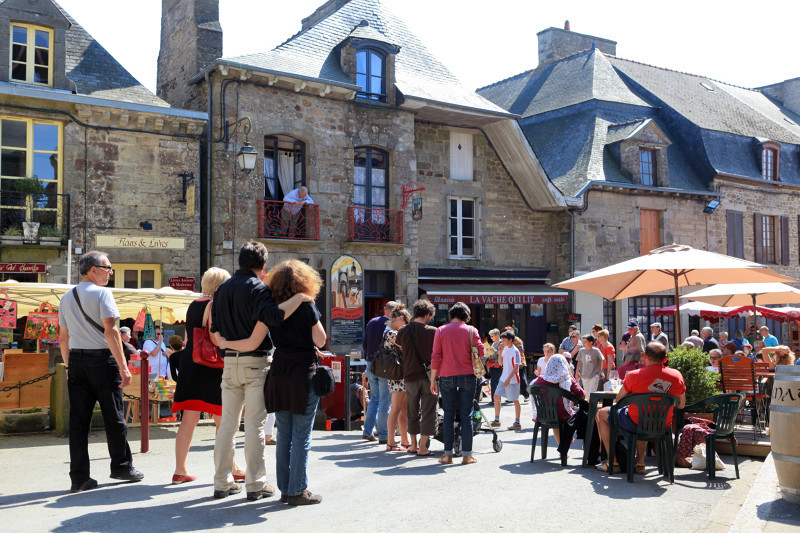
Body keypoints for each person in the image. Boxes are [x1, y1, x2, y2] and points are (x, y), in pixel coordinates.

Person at [220, 259, 326, 505]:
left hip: (279, 372)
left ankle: (286, 489)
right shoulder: (306, 306)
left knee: (284, 433)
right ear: (305, 282)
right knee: (302, 436)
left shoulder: (273, 308)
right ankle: (298, 489)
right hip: (302, 373)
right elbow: (320, 340)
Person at [57, 251, 143, 492]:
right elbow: (111, 332)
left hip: (76, 360)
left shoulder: (66, 297)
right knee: (114, 416)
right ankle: (121, 467)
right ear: (92, 270)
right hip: (101, 361)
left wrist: (67, 365)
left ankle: (79, 477)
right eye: (107, 267)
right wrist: (124, 367)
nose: (111, 272)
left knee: (78, 422)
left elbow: (63, 338)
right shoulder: (103, 293)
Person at [170, 267, 248, 485]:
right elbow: (215, 338)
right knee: (224, 422)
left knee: (188, 421)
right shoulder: (215, 305)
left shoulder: (193, 304)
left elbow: (189, 336)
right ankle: (229, 468)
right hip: (211, 367)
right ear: (220, 286)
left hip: (191, 365)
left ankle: (179, 470)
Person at [594, 342, 686, 474]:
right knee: (645, 416)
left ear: (645, 356)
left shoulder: (633, 375)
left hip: (635, 422)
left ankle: (612, 461)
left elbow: (619, 400)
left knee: (601, 413)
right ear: (664, 357)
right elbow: (681, 405)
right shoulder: (677, 375)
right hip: (662, 424)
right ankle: (640, 462)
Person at [430, 302, 484, 465]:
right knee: (466, 414)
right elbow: (481, 351)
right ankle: (467, 455)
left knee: (448, 415)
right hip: (468, 375)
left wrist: (433, 379)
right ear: (466, 316)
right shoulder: (471, 330)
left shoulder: (441, 330)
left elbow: (435, 356)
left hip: (446, 375)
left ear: (451, 315)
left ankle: (447, 455)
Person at [396, 299, 438, 456]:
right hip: (429, 376)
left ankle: (413, 445)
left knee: (412, 410)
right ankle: (423, 447)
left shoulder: (403, 331)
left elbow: (400, 346)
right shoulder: (433, 332)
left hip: (410, 375)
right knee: (429, 410)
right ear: (428, 314)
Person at [361, 301, 399, 443]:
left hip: (371, 363)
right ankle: (383, 435)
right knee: (384, 401)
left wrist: (369, 359)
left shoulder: (372, 322)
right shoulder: (391, 326)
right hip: (384, 365)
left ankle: (367, 430)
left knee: (375, 399)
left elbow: (364, 344)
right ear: (394, 312)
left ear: (385, 309)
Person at [532, 354, 585, 446]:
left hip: (544, 415)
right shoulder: (567, 380)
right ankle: (566, 440)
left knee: (554, 416)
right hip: (563, 415)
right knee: (575, 416)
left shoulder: (540, 380)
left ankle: (562, 446)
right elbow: (582, 395)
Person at [384, 305, 412, 451]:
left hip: (401, 373)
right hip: (397, 374)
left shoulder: (392, 331)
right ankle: (390, 441)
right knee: (395, 408)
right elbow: (405, 346)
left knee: (403, 409)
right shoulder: (391, 333)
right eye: (406, 323)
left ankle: (405, 440)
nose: (406, 326)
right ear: (401, 319)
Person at [492, 330, 522, 430]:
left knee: (515, 400)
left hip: (512, 379)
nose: (502, 341)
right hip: (503, 377)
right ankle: (496, 420)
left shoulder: (516, 351)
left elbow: (516, 367)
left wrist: (508, 379)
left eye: (504, 340)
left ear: (510, 340)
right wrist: (500, 351)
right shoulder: (504, 349)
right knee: (496, 396)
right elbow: (500, 363)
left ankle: (517, 422)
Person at [503, 326, 528, 400]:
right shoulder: (505, 341)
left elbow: (520, 351)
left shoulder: (517, 340)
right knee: (510, 379)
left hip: (519, 362)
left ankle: (526, 395)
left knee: (522, 379)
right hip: (510, 362)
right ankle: (510, 395)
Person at [486, 328, 503, 398]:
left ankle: (494, 399)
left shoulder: (501, 343)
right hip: (492, 365)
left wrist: (494, 350)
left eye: (492, 336)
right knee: (494, 382)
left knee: (494, 382)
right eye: (490, 336)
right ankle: (494, 398)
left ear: (497, 335)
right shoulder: (493, 343)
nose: (491, 338)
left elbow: (502, 354)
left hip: (498, 365)